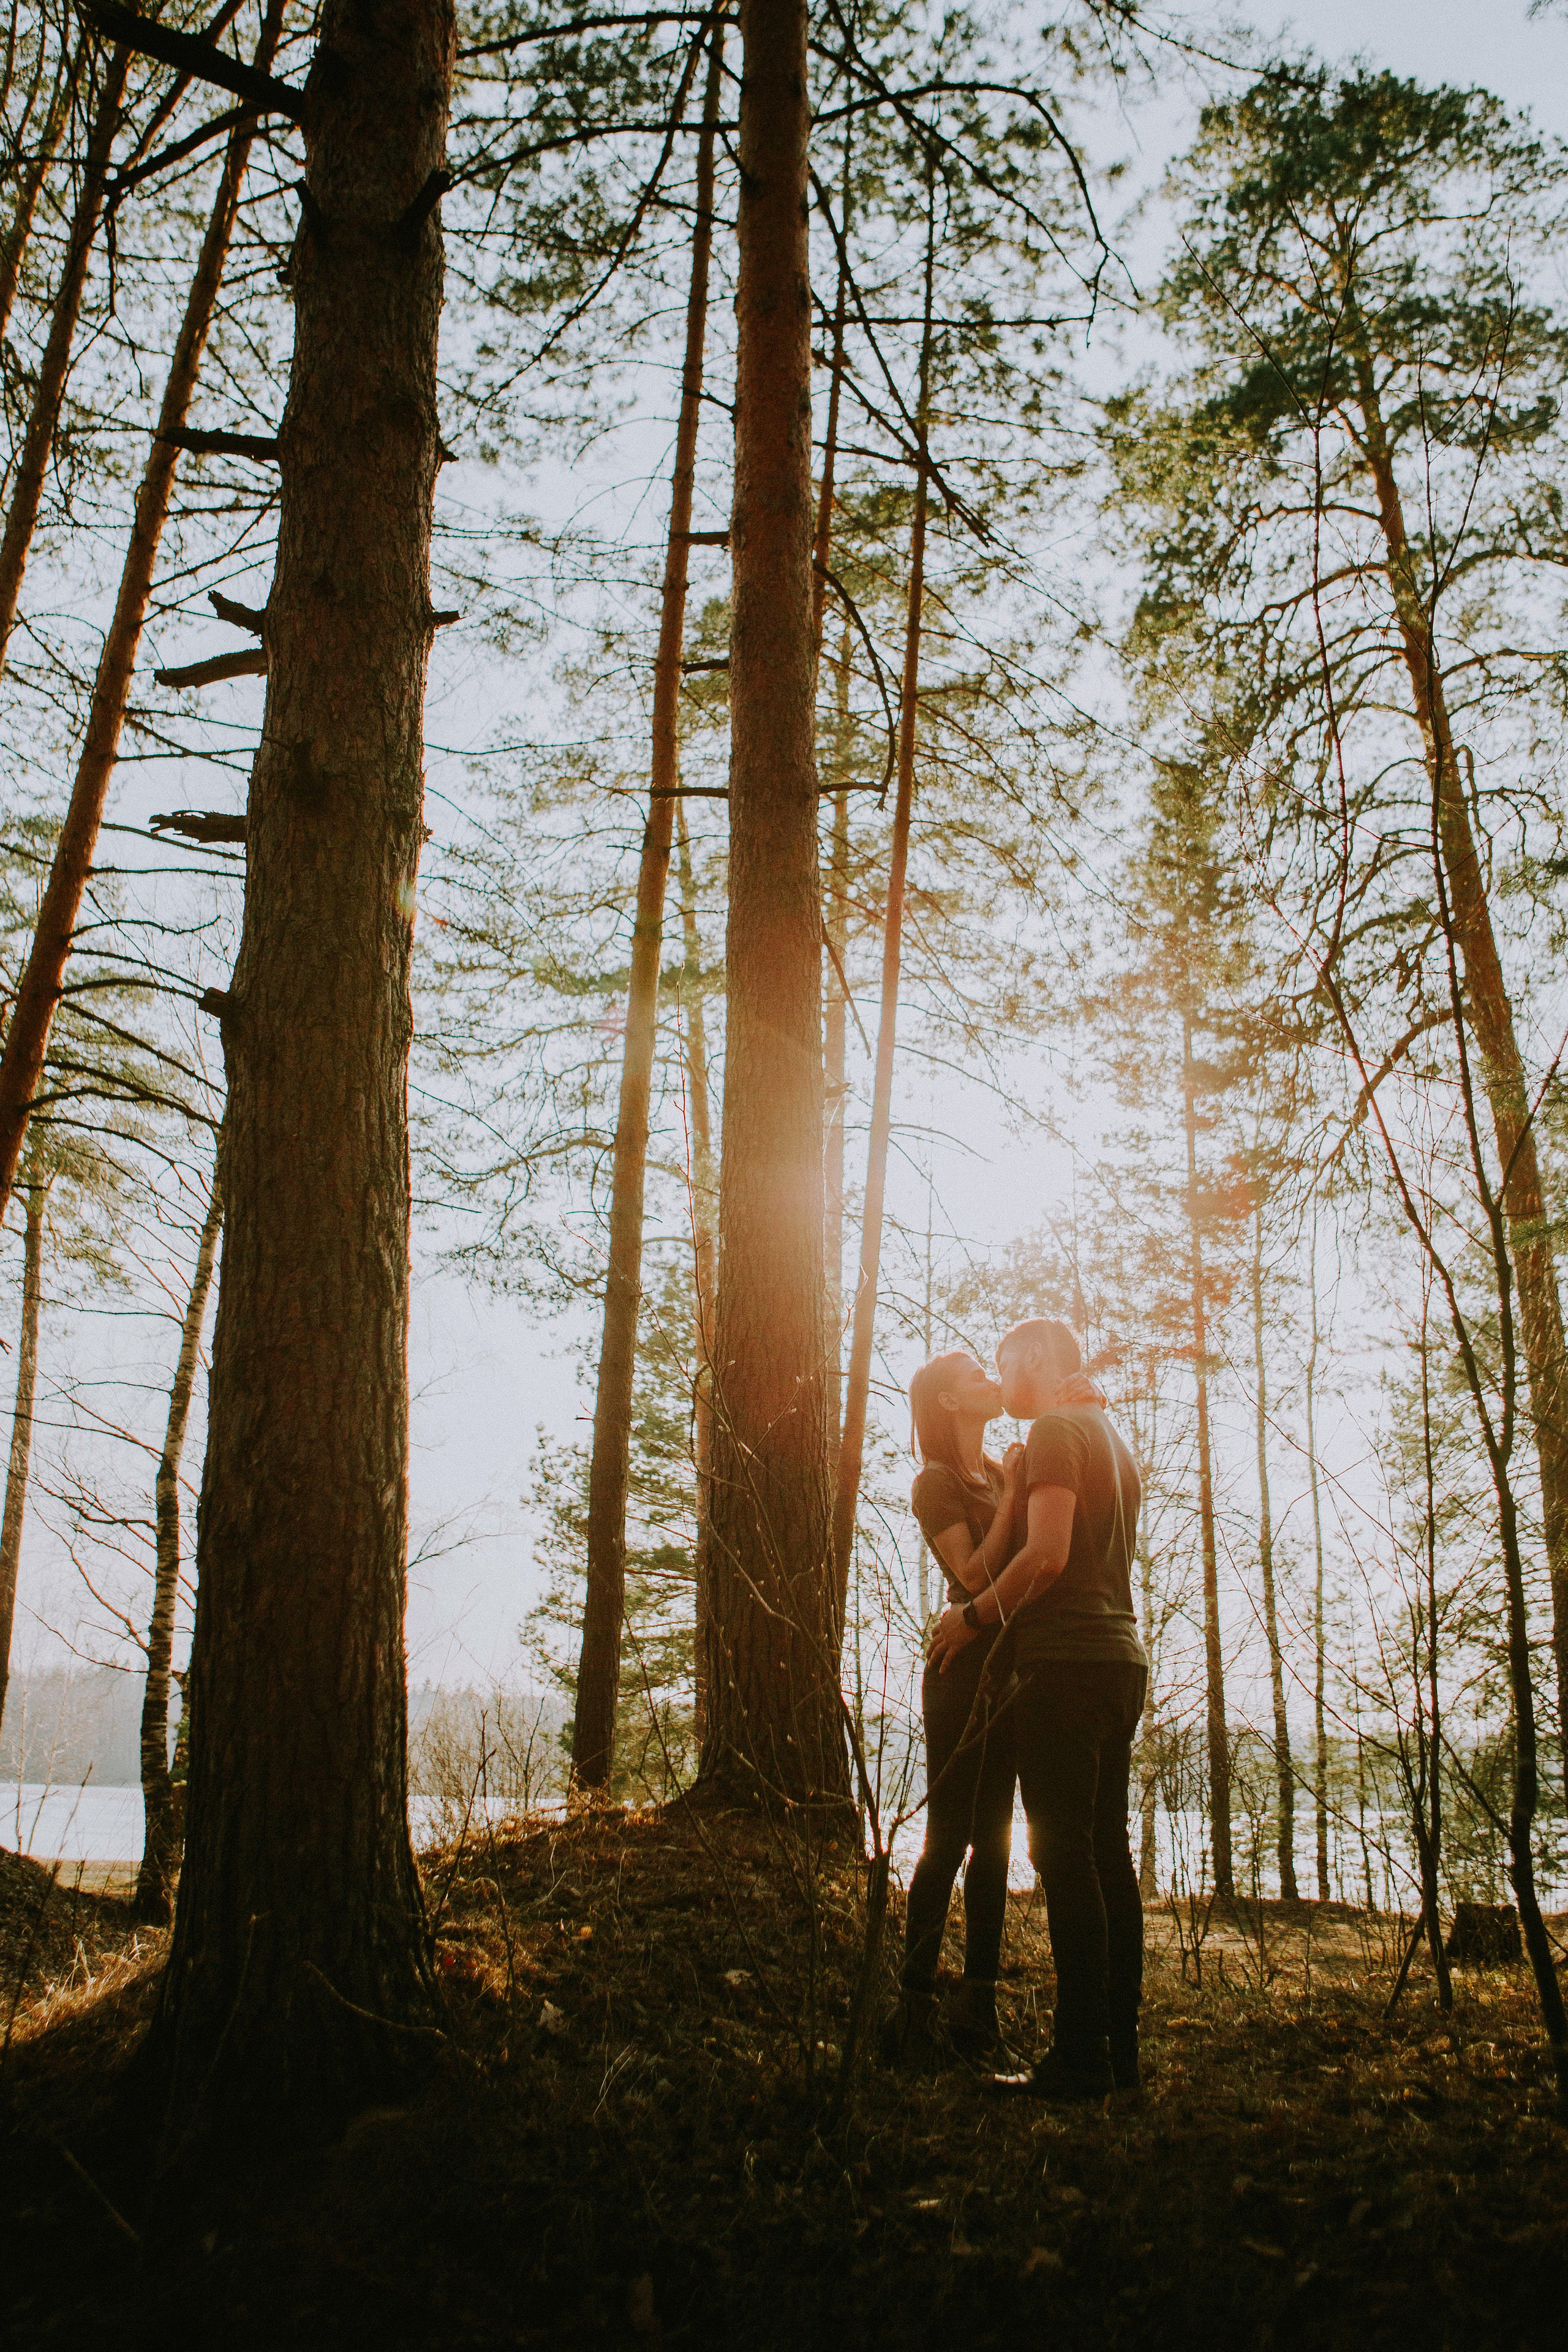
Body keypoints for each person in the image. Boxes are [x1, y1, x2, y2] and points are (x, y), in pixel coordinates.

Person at [928, 1316, 1148, 2100]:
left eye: (1002, 1364)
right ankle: (1118, 2053)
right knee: (1108, 1859)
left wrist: (974, 1616)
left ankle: (1079, 2058)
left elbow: (1047, 1557)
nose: (1001, 1377)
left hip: (1063, 1664)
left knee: (1065, 1861)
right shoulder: (1108, 1432)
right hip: (1121, 1660)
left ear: (1032, 1360)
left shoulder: (1058, 1426)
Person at [881, 1349, 1025, 2067]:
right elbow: (971, 1575)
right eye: (974, 1375)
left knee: (995, 1844)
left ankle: (978, 2008)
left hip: (1011, 1672)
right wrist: (1016, 1495)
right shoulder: (933, 1483)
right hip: (960, 1671)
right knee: (948, 1837)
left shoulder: (1002, 1473)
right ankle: (912, 2009)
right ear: (945, 1404)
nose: (989, 1381)